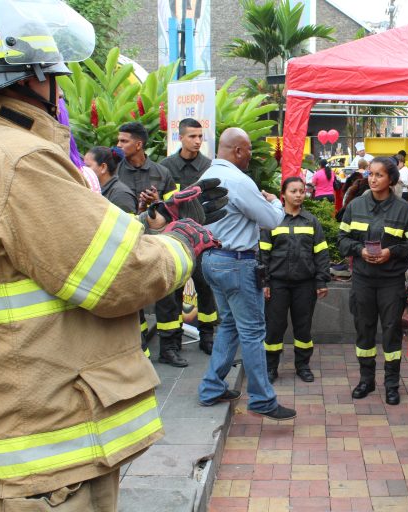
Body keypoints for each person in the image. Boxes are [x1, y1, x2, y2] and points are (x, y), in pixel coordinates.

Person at [0, 1, 223, 508]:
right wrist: (183, 242)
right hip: (49, 455)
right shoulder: (15, 159)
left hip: (11, 433)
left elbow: (49, 252)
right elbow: (120, 276)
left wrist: (150, 222)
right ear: (32, 78)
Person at [198, 127, 297, 420]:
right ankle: (262, 399)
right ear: (238, 150)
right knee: (253, 332)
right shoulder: (239, 181)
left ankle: (211, 388)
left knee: (228, 325)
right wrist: (273, 201)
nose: (251, 157)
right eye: (250, 151)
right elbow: (273, 220)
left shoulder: (204, 177)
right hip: (237, 263)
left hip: (211, 260)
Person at [338, 157, 408, 405]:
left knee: (391, 332)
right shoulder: (355, 206)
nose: (372, 179)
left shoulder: (403, 210)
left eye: (379, 175)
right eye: (371, 174)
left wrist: (391, 252)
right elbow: (342, 239)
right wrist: (359, 250)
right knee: (364, 330)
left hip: (391, 282)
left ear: (392, 180)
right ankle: (366, 381)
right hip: (363, 280)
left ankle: (391, 385)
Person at [116, 121, 187, 366]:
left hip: (156, 242)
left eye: (123, 141)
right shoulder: (115, 170)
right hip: (127, 243)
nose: (118, 145)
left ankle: (169, 348)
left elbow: (174, 211)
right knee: (132, 297)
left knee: (166, 296)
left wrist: (156, 203)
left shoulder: (161, 173)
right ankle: (139, 348)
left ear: (139, 144)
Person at [260, 177, 331, 383]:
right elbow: (263, 255)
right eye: (294, 191)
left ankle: (303, 366)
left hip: (305, 284)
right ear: (283, 194)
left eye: (302, 191)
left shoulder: (311, 221)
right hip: (277, 284)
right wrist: (264, 283)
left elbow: (321, 253)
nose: (299, 195)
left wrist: (321, 281)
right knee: (274, 327)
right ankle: (271, 367)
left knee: (303, 326)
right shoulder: (272, 220)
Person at [161, 118, 217, 355]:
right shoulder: (165, 167)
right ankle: (171, 344)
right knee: (172, 292)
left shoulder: (209, 167)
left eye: (200, 136)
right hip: (173, 240)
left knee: (206, 288)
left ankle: (208, 337)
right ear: (180, 137)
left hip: (201, 239)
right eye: (192, 136)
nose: (197, 141)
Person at [85, 146, 137, 213]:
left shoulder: (121, 195)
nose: (83, 169)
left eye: (87, 166)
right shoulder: (91, 188)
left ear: (103, 167)